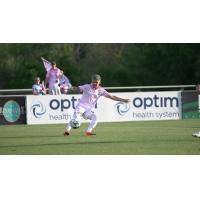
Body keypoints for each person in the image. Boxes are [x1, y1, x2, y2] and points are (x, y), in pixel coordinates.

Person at [64, 74, 130, 136]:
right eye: (93, 82)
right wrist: (68, 88)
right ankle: (67, 131)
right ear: (91, 81)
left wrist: (124, 100)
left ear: (100, 82)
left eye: (96, 82)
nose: (95, 83)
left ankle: (88, 132)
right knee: (76, 119)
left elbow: (112, 97)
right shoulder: (87, 87)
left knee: (95, 118)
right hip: (81, 106)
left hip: (89, 109)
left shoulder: (101, 90)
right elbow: (77, 89)